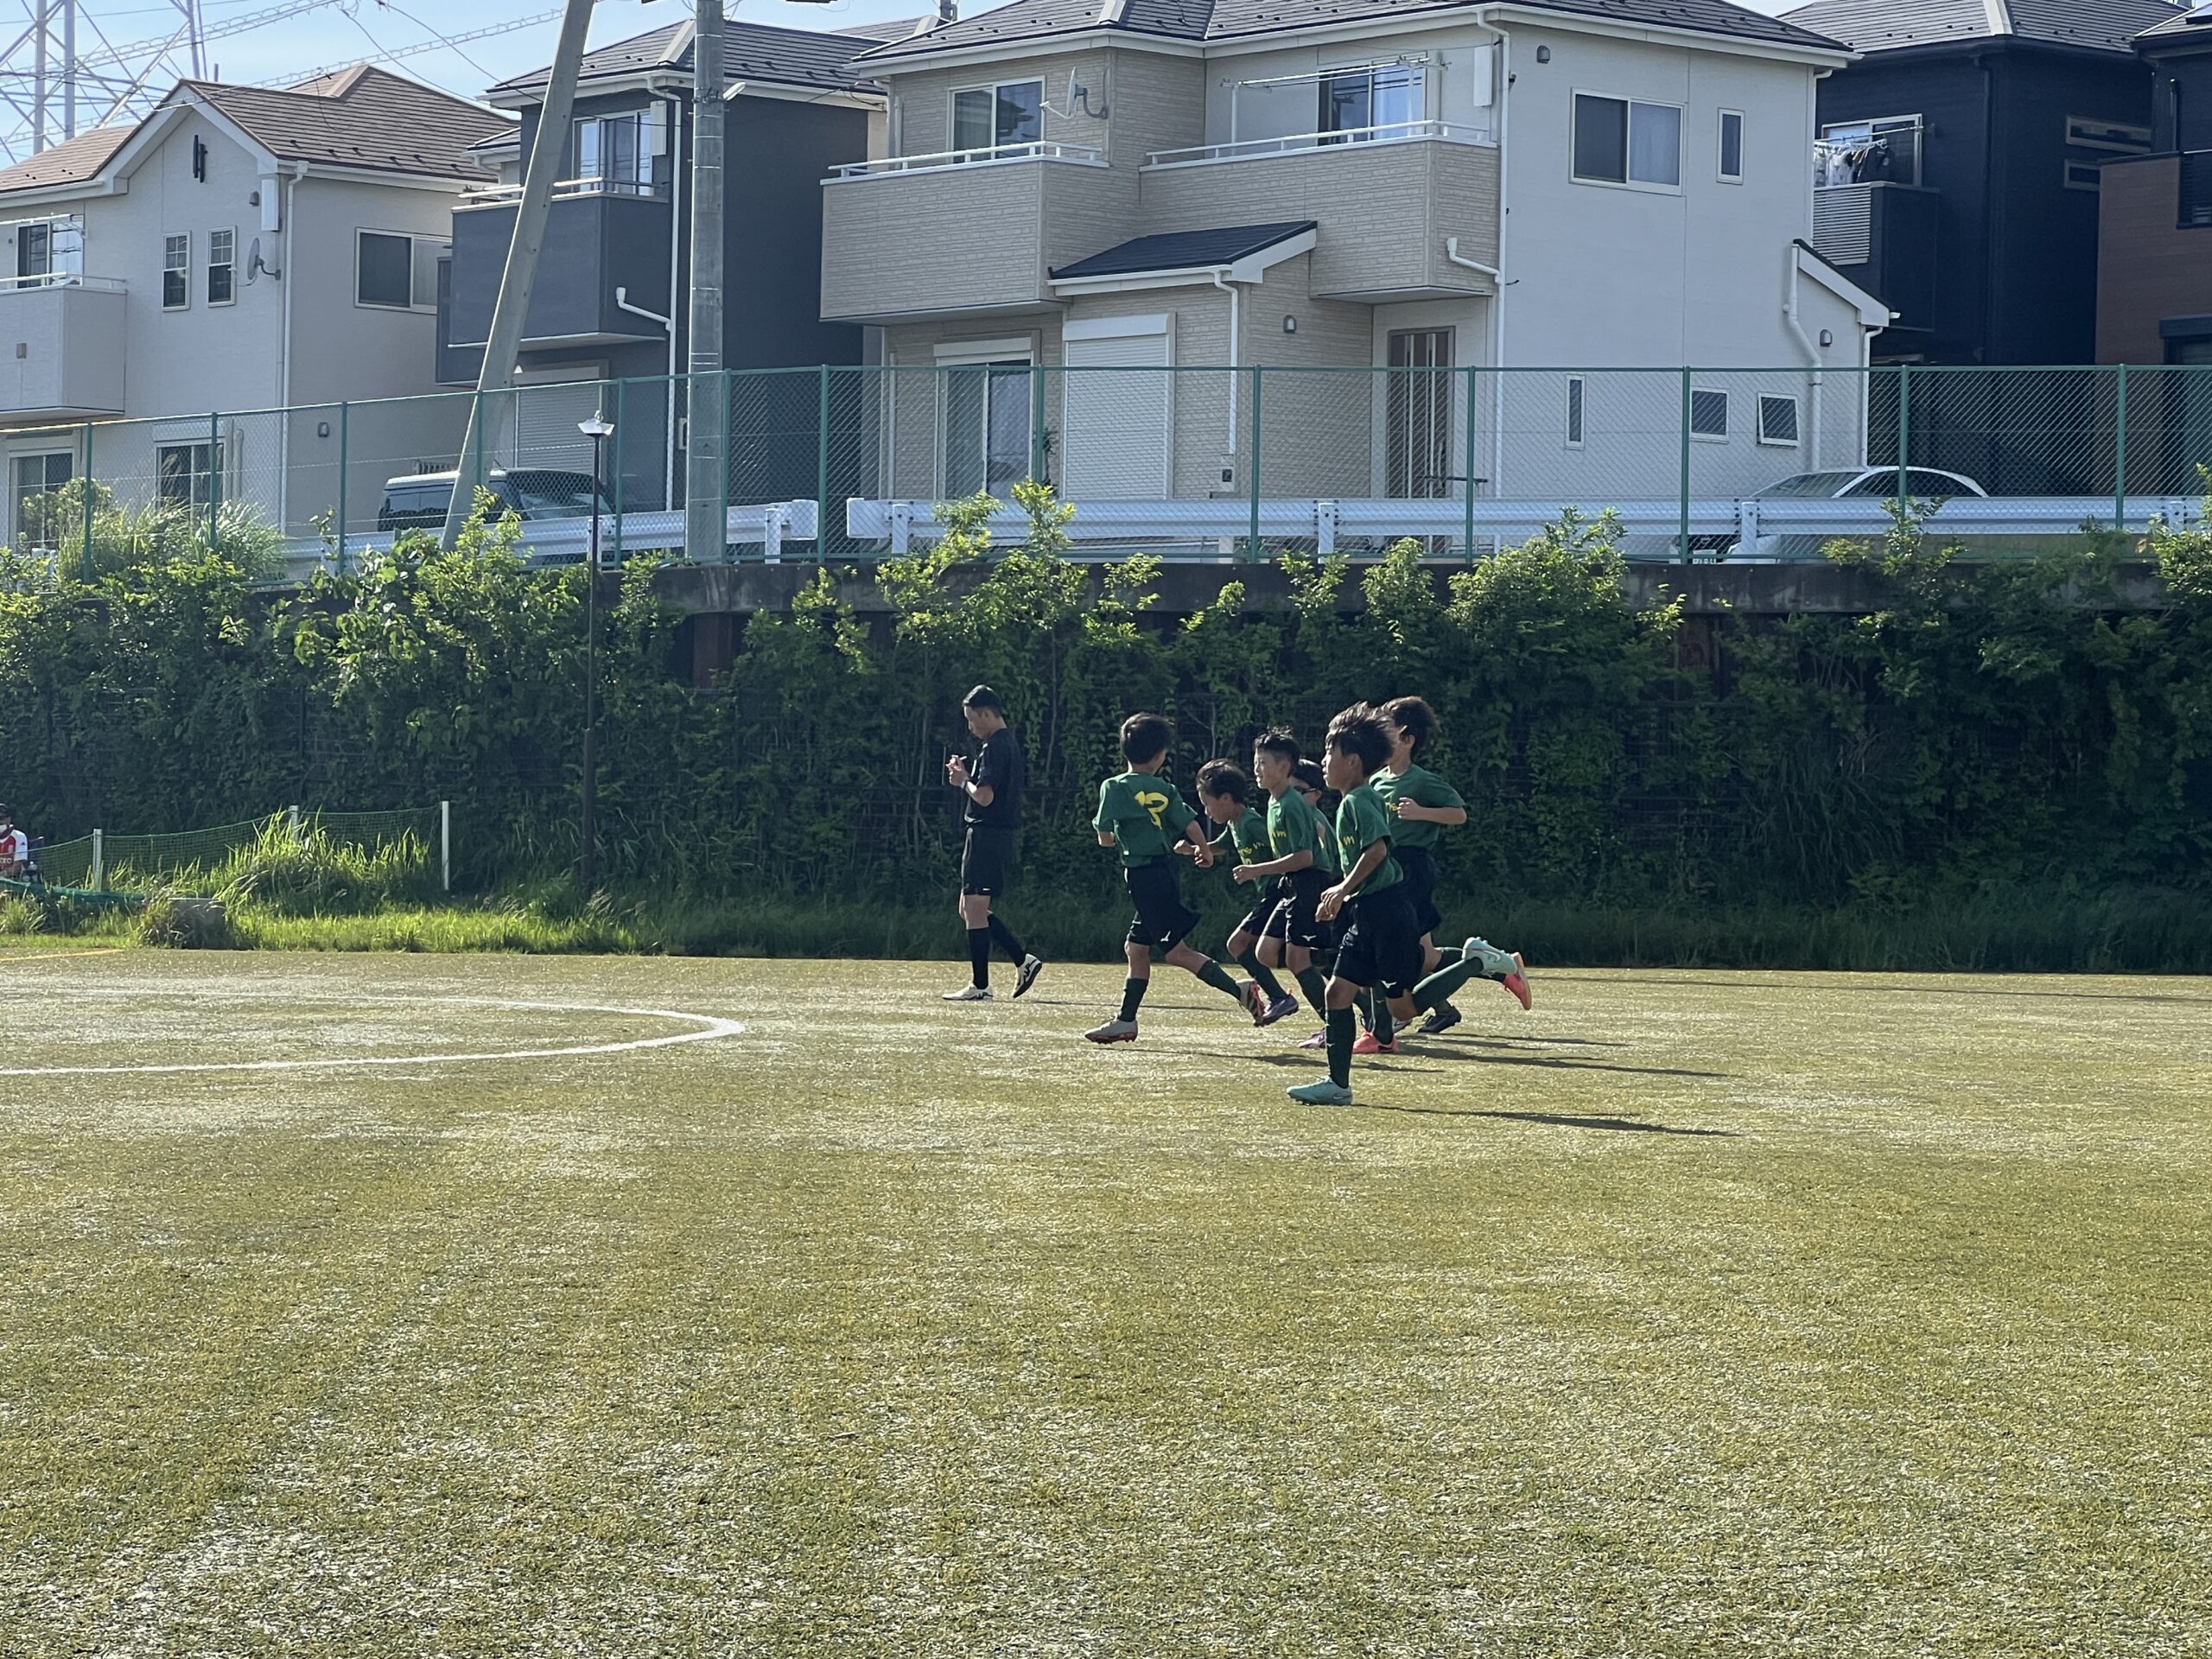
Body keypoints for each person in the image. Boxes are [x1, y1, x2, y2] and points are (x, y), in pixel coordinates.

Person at [1286, 707, 1523, 1108]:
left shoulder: (1359, 801)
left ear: (1352, 761)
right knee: (1338, 992)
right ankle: (1338, 1085)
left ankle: (1476, 962)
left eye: (1329, 752)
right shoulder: (1355, 798)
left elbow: (1378, 851)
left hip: (1388, 913)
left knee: (1404, 1006)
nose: (1323, 761)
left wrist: (1342, 889)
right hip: (1367, 912)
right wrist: (1343, 897)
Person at [1084, 713, 1254, 1045]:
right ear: (1160, 755)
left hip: (1145, 877)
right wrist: (1203, 850)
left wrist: (1119, 837)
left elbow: (1104, 837)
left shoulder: (1114, 787)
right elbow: (1190, 824)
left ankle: (1240, 991)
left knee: (1176, 952)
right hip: (1163, 873)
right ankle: (1126, 1020)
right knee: (1136, 948)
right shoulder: (1165, 788)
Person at [1370, 695, 1530, 1040]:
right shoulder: (1375, 781)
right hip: (1387, 868)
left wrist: (1421, 813)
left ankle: (1396, 1014)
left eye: (1387, 732)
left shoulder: (1421, 781)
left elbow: (1459, 814)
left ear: (1408, 739)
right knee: (1426, 956)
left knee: (1404, 949)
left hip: (1412, 868)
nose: (1379, 739)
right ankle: (1496, 965)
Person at [942, 686, 1043, 1002]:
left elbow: (984, 797)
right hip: (990, 835)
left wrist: (963, 781)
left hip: (988, 834)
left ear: (986, 714)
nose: (971, 727)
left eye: (972, 719)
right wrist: (967, 777)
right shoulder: (1005, 743)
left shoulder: (995, 746)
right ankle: (1022, 960)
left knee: (974, 907)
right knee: (968, 908)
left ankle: (981, 985)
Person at [1230, 731, 1333, 1030]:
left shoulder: (1292, 804)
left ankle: (1333, 1025)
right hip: (1291, 884)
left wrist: (1256, 869)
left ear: (1284, 767)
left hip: (1309, 882)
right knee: (1265, 953)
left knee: (1298, 959)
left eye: (1263, 762)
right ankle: (1334, 965)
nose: (1256, 768)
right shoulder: (1274, 802)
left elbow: (1305, 858)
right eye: (1256, 761)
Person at [1188, 759, 1300, 1027]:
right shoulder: (1235, 824)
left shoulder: (1251, 823)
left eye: (1208, 804)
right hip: (1268, 894)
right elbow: (1219, 847)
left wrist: (1257, 870)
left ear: (1226, 798)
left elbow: (1283, 849)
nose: (1206, 812)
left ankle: (1279, 996)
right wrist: (1194, 849)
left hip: (1278, 891)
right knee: (1254, 947)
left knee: (1237, 944)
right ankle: (1280, 995)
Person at [0, 805, 26, 879]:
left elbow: (16, 867)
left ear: (9, 819)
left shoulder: (19, 836)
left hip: (11, 881)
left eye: (1, 818)